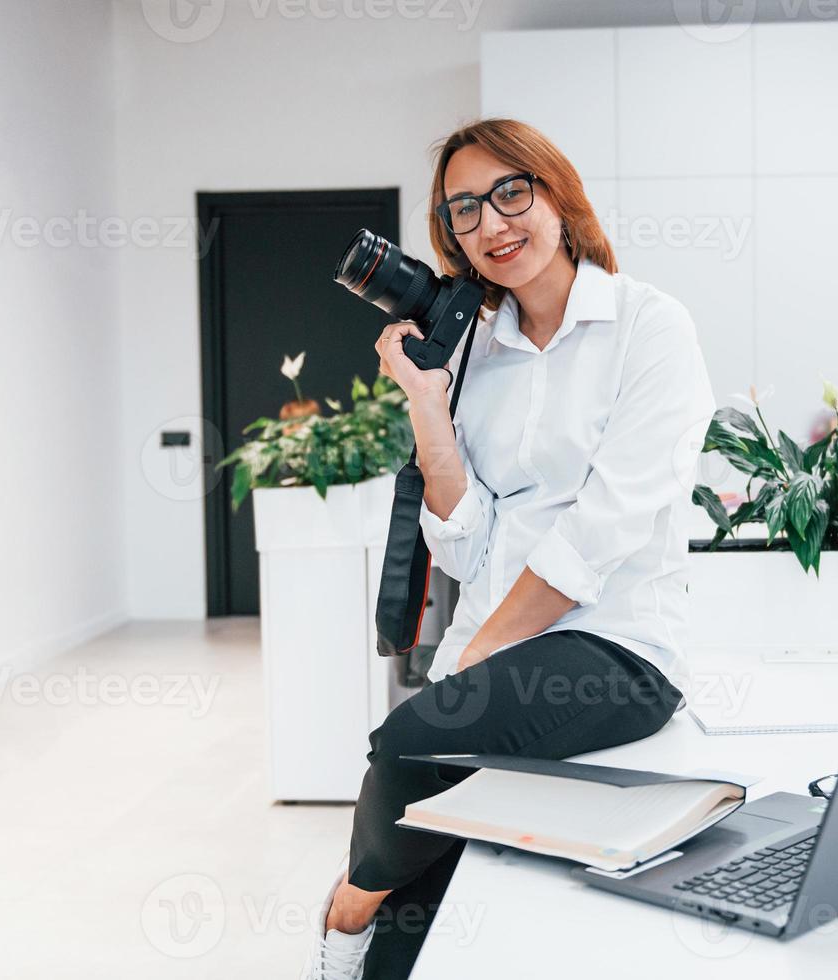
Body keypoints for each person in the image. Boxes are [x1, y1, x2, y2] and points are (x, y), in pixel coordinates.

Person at [301, 118, 716, 980]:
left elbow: (604, 527)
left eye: (510, 193)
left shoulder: (649, 326)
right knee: (417, 931)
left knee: (410, 742)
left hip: (617, 647)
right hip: (490, 650)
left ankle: (346, 905)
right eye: (463, 210)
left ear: (557, 196)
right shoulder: (476, 355)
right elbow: (466, 541)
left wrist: (477, 657)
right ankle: (367, 945)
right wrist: (426, 403)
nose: (491, 224)